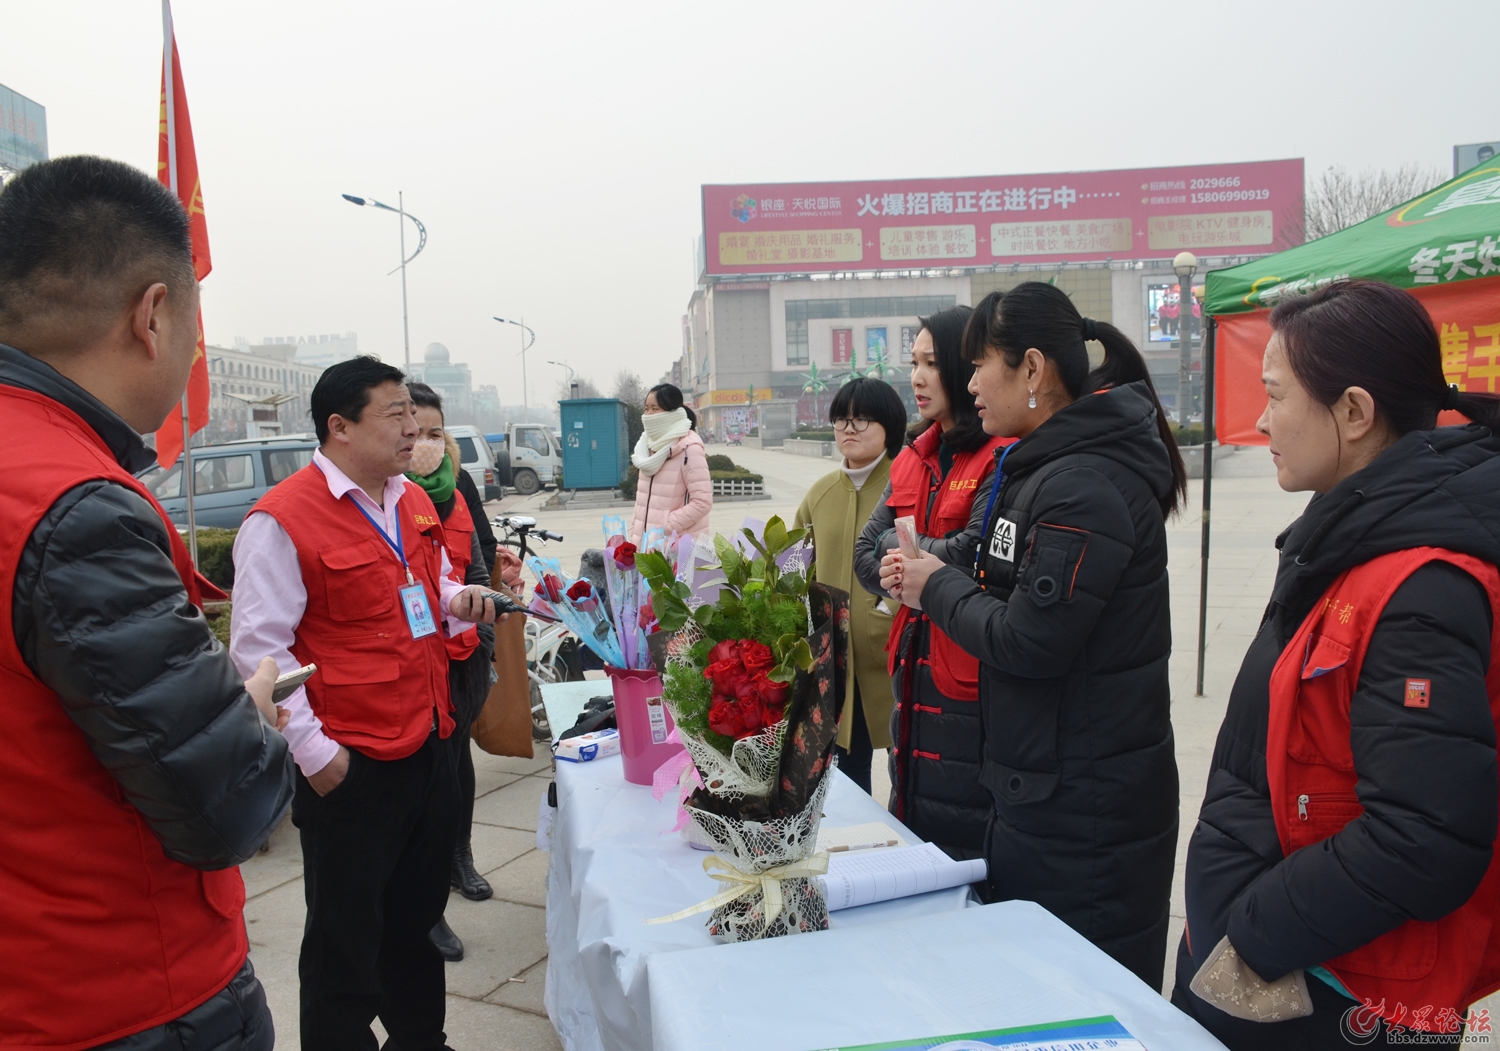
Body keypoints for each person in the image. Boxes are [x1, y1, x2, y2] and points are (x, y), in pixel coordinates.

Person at [0, 156, 294, 1049]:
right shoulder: (69, 501)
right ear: (154, 314)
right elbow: (225, 805)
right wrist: (250, 720)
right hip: (124, 994)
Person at [1173, 281, 1500, 1048]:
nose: (1258, 422)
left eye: (1276, 396)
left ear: (1354, 412)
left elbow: (1424, 834)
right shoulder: (1351, 542)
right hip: (1283, 969)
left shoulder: (1421, 584)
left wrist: (1253, 932)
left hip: (1340, 995)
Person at [881, 282, 1186, 988]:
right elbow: (994, 560)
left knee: (1077, 1002)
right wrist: (936, 563)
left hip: (1088, 816)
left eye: (980, 363)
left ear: (1033, 370)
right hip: (1044, 794)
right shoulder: (1046, 468)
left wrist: (936, 587)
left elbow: (1030, 639)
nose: (971, 383)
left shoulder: (1084, 484)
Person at [231, 356, 503, 1050]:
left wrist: (457, 602)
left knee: (416, 925)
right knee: (344, 946)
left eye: (414, 413)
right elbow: (261, 655)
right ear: (340, 426)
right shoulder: (282, 520)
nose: (415, 429)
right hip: (353, 767)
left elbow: (427, 587)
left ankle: (422, 1039)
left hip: (429, 745)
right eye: (397, 414)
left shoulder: (410, 498)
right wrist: (319, 757)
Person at [853, 305, 1010, 858]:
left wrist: (904, 559)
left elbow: (975, 550)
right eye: (913, 362)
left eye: (932, 363)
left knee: (966, 836)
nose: (916, 377)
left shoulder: (1000, 456)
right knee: (912, 815)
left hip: (968, 673)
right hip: (911, 668)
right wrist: (914, 570)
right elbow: (862, 554)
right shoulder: (911, 457)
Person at [406, 382, 521, 960]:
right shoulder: (393, 492)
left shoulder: (459, 484)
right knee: (431, 775)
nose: (424, 442)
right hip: (417, 656)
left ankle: (460, 859)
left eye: (434, 432)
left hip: (464, 650)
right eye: (414, 430)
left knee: (457, 765)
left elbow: (479, 550)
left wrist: (483, 635)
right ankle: (427, 903)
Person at [794, 377, 907, 794]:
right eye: (842, 420)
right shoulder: (821, 493)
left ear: (889, 426)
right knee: (846, 774)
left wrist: (884, 612)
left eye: (861, 420)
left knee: (907, 766)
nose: (849, 429)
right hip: (835, 663)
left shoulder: (908, 483)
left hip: (893, 652)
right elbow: (796, 568)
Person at [629, 382, 712, 542]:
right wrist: (634, 536)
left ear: (672, 412)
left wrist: (665, 527)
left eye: (655, 409)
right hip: (646, 546)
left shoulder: (689, 448)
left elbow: (702, 502)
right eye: (646, 408)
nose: (648, 414)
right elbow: (642, 503)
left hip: (676, 546)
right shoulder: (645, 448)